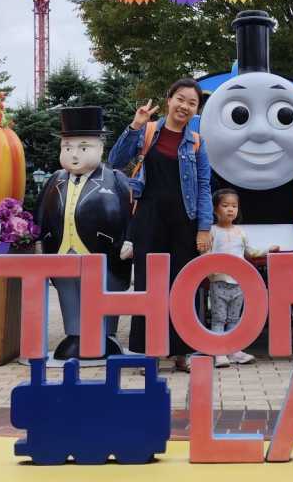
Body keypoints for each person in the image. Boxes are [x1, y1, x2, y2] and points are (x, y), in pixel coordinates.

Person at [108, 79, 212, 371]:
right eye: (181, 99)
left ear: (196, 110)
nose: (185, 106)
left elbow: (204, 185)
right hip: (148, 221)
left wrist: (204, 227)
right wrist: (135, 125)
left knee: (184, 285)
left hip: (184, 223)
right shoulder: (148, 131)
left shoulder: (197, 142)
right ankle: (149, 353)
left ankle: (182, 352)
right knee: (148, 286)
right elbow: (116, 160)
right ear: (169, 99)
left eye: (192, 103)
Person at [36, 106, 131, 364]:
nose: (74, 154)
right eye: (67, 148)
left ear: (100, 148)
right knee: (68, 291)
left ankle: (106, 334)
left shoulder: (114, 179)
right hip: (61, 250)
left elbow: (130, 211)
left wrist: (130, 238)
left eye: (83, 147)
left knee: (104, 290)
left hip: (104, 250)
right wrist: (37, 239)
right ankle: (74, 334)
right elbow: (41, 212)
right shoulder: (55, 180)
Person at [206, 189, 276, 368]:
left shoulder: (241, 232)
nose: (230, 209)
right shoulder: (212, 231)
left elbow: (250, 252)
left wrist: (267, 250)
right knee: (219, 318)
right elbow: (206, 254)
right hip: (219, 282)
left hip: (239, 283)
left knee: (234, 318)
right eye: (225, 205)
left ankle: (234, 350)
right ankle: (219, 351)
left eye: (234, 206)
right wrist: (209, 272)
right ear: (215, 209)